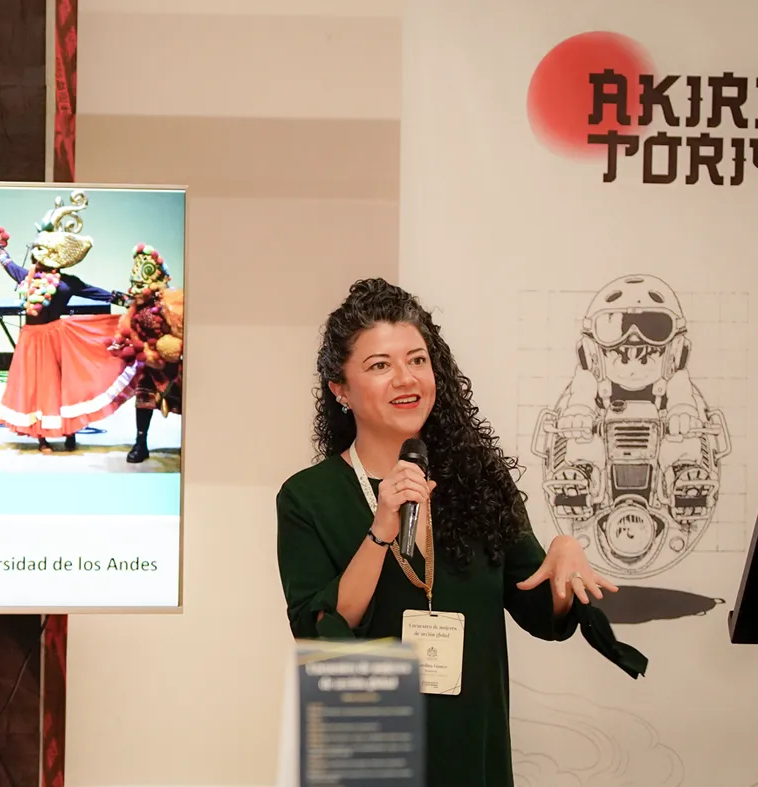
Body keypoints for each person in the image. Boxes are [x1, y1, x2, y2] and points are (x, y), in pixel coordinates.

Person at [275, 278, 647, 785]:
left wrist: (561, 555)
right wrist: (381, 530)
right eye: (380, 365)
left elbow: (541, 614)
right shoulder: (307, 497)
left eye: (417, 360)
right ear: (340, 389)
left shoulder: (480, 480)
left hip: (473, 749)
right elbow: (321, 630)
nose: (406, 379)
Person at [0, 191, 134, 453]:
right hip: (32, 340)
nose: (39, 256)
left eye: (44, 251)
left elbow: (97, 292)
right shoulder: (26, 276)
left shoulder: (66, 281)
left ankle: (69, 429)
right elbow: (6, 262)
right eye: (37, 251)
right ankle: (41, 436)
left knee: (64, 385)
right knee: (39, 387)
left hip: (58, 337)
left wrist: (127, 300)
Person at [108, 244, 183, 463]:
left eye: (140, 285)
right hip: (148, 363)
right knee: (143, 400)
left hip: (173, 365)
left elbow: (180, 331)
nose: (135, 290)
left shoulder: (169, 305)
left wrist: (172, 348)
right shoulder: (136, 306)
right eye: (134, 285)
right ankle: (141, 443)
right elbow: (127, 325)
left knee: (185, 403)